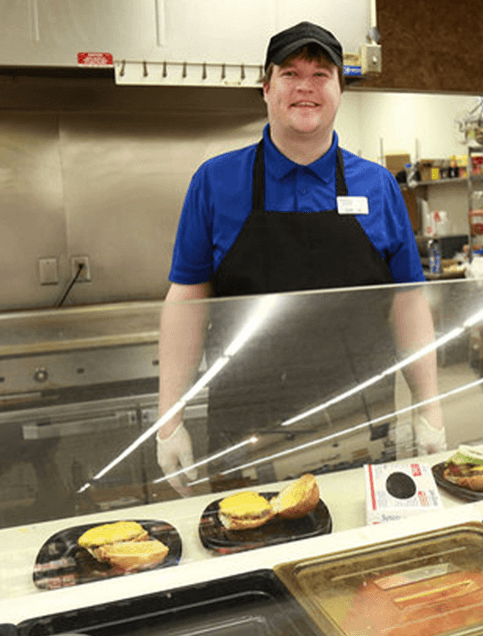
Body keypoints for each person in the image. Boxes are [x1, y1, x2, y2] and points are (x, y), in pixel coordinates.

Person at [157, 21, 445, 496]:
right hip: (245, 434)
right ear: (266, 88)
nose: (305, 86)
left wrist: (429, 406)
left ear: (340, 90)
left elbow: (408, 302)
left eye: (321, 73)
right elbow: (187, 299)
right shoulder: (214, 181)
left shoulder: (379, 186)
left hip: (360, 425)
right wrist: (169, 418)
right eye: (290, 73)